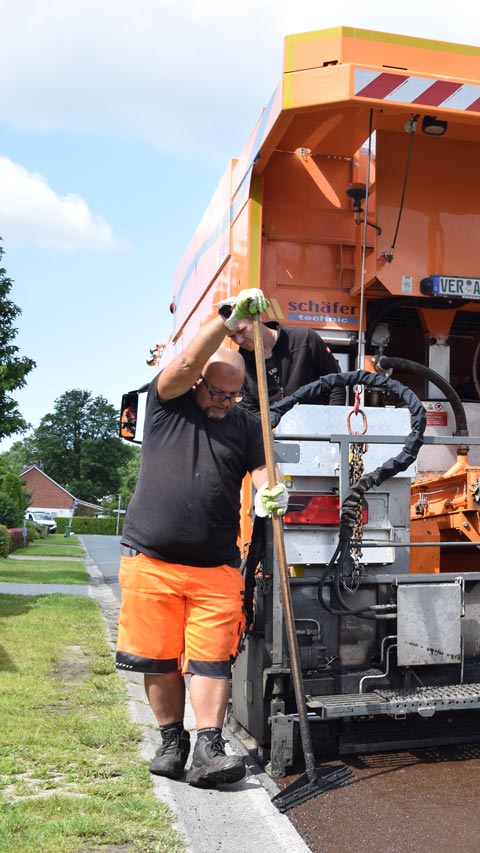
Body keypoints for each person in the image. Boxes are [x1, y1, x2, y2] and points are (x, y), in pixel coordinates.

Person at [115, 289, 289, 789]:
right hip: (152, 560)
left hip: (216, 567)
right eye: (216, 392)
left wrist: (272, 491)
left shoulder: (246, 424)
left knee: (212, 658)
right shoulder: (167, 406)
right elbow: (190, 357)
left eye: (234, 394)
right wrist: (230, 318)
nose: (225, 402)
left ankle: (209, 747)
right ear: (198, 384)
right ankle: (173, 741)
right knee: (158, 657)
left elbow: (263, 468)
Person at [221, 310, 344, 409]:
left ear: (258, 318)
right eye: (232, 336)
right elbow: (249, 408)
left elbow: (336, 384)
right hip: (273, 437)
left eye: (242, 331)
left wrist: (330, 422)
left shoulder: (304, 338)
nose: (239, 340)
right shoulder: (241, 363)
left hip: (318, 432)